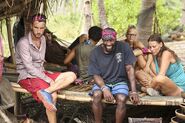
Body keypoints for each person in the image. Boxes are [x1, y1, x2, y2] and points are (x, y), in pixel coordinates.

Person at [15, 14, 76, 123]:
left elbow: (41, 62)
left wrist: (48, 75)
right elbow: (29, 68)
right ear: (31, 26)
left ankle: (45, 91)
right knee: (53, 96)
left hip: (41, 73)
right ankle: (48, 94)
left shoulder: (43, 39)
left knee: (72, 75)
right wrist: (49, 80)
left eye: (42, 28)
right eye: (36, 27)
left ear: (45, 27)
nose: (39, 31)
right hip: (28, 77)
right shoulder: (23, 43)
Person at [88, 27, 140, 123]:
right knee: (96, 95)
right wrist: (104, 88)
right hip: (102, 82)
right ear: (102, 39)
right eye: (105, 40)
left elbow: (129, 69)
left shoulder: (124, 47)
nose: (108, 43)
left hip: (119, 81)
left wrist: (133, 91)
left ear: (115, 39)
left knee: (122, 98)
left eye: (111, 40)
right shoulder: (95, 52)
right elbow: (95, 74)